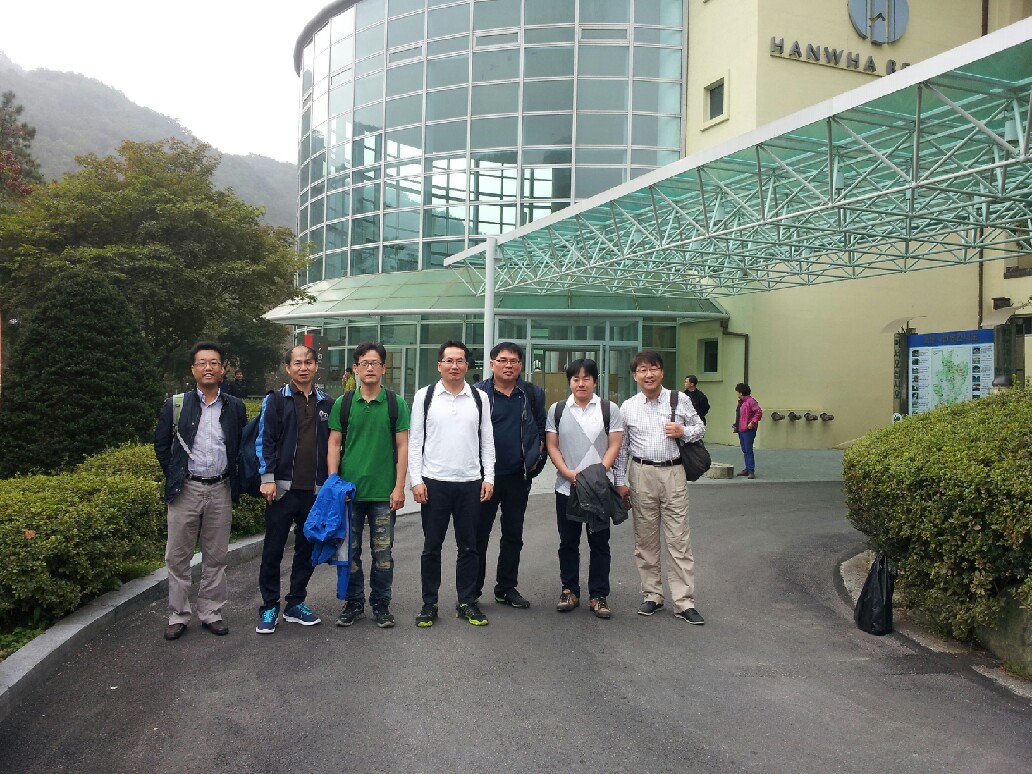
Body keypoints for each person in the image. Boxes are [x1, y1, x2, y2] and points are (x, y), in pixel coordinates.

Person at [154, 342, 246, 641]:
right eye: (202, 362)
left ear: (222, 370)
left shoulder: (234, 406)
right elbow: (161, 446)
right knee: (177, 556)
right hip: (186, 489)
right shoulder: (176, 404)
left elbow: (240, 446)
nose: (208, 367)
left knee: (216, 556)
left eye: (214, 363)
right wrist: (177, 475)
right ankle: (178, 614)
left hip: (221, 488)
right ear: (193, 369)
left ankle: (211, 612)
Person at [615, 350, 707, 625]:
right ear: (635, 376)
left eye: (653, 368)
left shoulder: (679, 400)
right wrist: (619, 482)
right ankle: (652, 595)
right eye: (642, 370)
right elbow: (623, 449)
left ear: (662, 372)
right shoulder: (628, 407)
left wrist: (683, 432)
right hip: (641, 473)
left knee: (679, 538)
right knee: (645, 539)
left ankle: (684, 601)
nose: (649, 374)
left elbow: (700, 428)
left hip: (673, 472)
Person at [408, 340, 495, 627]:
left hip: (470, 482)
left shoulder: (479, 398)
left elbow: (487, 441)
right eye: (449, 361)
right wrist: (416, 480)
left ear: (467, 365)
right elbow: (415, 441)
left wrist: (489, 477)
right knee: (431, 547)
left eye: (460, 361)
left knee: (469, 547)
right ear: (439, 365)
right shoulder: (425, 396)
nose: (454, 366)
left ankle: (467, 602)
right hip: (434, 483)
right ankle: (429, 604)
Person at [328, 342, 410, 629]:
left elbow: (403, 446)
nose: (370, 368)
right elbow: (334, 444)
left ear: (384, 368)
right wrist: (334, 484)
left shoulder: (396, 403)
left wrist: (399, 486)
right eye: (365, 363)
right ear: (356, 368)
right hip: (349, 494)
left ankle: (381, 604)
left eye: (375, 363)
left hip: (383, 495)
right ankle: (353, 603)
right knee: (349, 553)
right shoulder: (343, 403)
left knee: (383, 554)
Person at [255, 345, 334, 634]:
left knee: (306, 549)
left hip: (314, 491)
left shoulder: (327, 403)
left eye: (308, 362)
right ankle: (269, 606)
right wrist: (267, 477)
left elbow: (335, 444)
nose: (303, 367)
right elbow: (265, 439)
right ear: (288, 368)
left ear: (316, 367)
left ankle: (295, 602)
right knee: (273, 550)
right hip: (281, 491)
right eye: (297, 363)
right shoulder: (276, 400)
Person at [545, 359, 624, 619]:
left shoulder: (608, 408)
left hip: (598, 489)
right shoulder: (557, 410)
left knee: (599, 543)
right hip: (567, 487)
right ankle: (569, 590)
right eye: (576, 379)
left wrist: (598, 473)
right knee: (568, 542)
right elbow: (552, 445)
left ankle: (599, 595)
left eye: (586, 378)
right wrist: (567, 473)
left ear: (595, 381)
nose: (581, 383)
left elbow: (615, 444)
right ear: (569, 381)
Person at [473, 342, 546, 609]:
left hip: (517, 476)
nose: (508, 365)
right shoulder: (477, 393)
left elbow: (540, 430)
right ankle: (472, 591)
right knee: (478, 535)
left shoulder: (532, 393)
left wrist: (535, 462)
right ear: (492, 363)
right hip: (485, 478)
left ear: (521, 365)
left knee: (513, 534)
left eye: (513, 361)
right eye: (502, 360)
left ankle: (506, 588)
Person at [733, 382, 763, 479]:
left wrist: (752, 422)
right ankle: (747, 468)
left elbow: (758, 412)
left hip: (748, 429)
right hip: (742, 428)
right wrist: (736, 426)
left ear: (741, 392)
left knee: (748, 450)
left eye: (738, 392)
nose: (737, 394)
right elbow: (739, 416)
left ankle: (751, 470)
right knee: (745, 449)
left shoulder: (750, 401)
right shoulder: (741, 402)